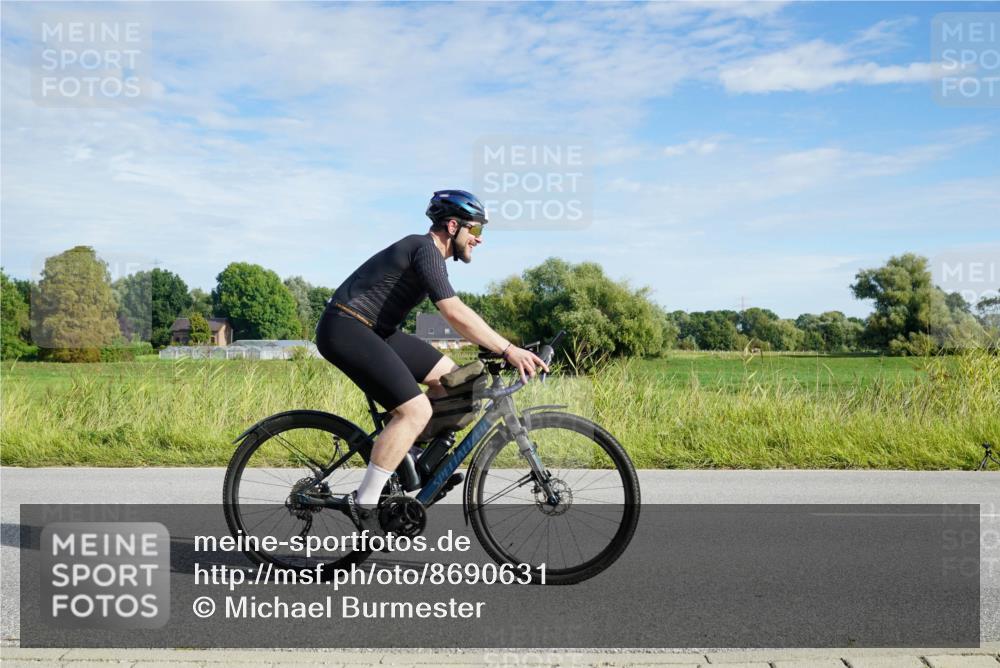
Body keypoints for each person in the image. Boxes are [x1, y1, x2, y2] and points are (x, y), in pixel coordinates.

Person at [315, 189, 548, 534]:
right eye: (476, 230)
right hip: (346, 327)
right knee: (415, 411)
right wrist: (507, 349)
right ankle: (364, 501)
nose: (479, 240)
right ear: (453, 226)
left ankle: (406, 459)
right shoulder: (424, 248)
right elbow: (453, 312)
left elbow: (459, 316)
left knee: (455, 381)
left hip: (378, 331)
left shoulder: (430, 256)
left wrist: (500, 347)